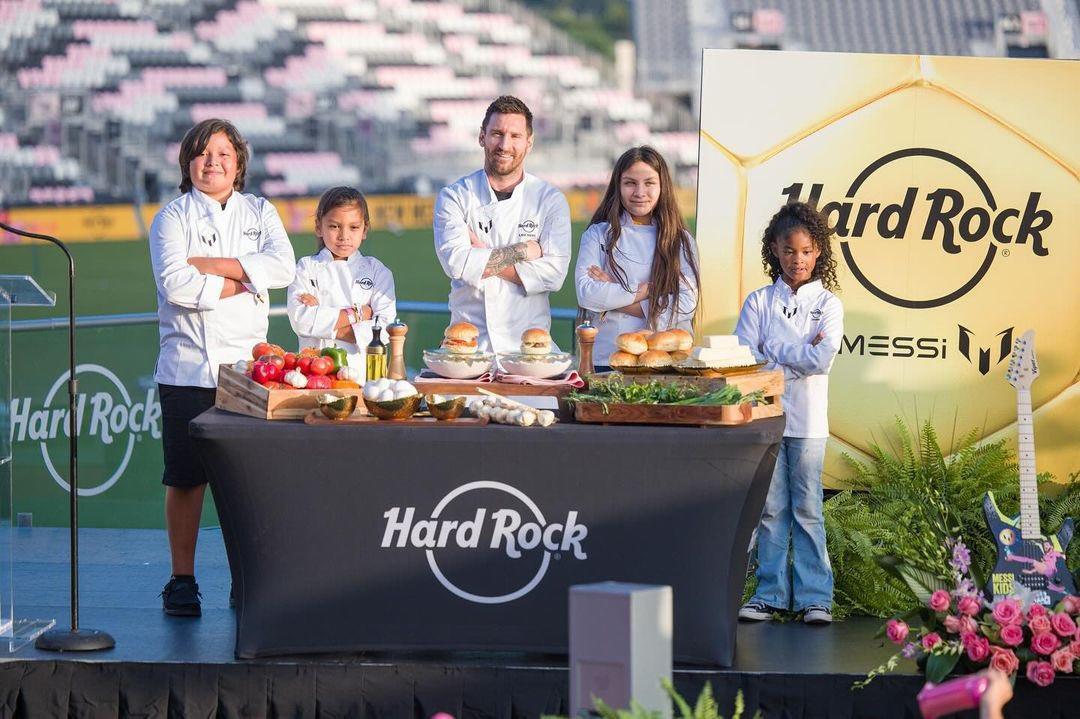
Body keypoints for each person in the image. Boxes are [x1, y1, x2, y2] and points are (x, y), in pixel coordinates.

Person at [149, 118, 295, 616]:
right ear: (187, 163)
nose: (212, 162)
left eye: (223, 154)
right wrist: (244, 277)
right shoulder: (171, 217)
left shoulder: (260, 210)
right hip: (186, 368)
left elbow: (283, 267)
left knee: (246, 483)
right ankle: (181, 579)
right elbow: (176, 286)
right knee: (186, 480)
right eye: (202, 153)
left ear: (239, 164)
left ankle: (246, 579)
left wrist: (212, 265)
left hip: (248, 372)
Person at [735, 201, 841, 625]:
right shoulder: (759, 302)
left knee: (809, 509)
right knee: (772, 509)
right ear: (775, 250)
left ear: (818, 254)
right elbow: (746, 360)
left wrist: (774, 352)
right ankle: (770, 594)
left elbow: (822, 361)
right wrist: (792, 356)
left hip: (810, 423)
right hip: (767, 419)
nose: (798, 259)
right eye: (789, 250)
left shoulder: (829, 305)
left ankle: (817, 597)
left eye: (807, 251)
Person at [433, 95, 571, 355]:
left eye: (515, 136)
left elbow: (555, 275)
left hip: (531, 350)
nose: (505, 144)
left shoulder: (550, 200)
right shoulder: (454, 196)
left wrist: (479, 257)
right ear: (482, 136)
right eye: (497, 133)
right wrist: (524, 250)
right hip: (468, 347)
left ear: (529, 143)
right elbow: (455, 264)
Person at [574, 146, 699, 368]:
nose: (640, 192)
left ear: (663, 187)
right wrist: (649, 290)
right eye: (630, 183)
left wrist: (614, 291)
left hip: (664, 360)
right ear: (618, 186)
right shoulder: (598, 234)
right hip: (607, 357)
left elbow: (686, 304)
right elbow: (587, 294)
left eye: (649, 183)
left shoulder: (680, 240)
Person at [287, 186, 396, 368]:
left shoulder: (378, 271)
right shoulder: (306, 267)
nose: (344, 236)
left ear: (365, 230)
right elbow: (301, 322)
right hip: (315, 371)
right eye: (334, 226)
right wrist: (358, 314)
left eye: (354, 227)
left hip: (363, 373)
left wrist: (321, 318)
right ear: (318, 227)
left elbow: (384, 331)